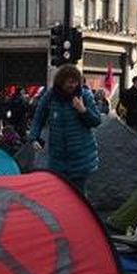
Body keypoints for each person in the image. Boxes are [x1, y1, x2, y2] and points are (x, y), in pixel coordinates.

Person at [29, 64, 102, 195]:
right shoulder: (50, 96)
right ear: (61, 82)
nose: (72, 85)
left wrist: (83, 110)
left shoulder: (85, 95)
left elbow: (96, 121)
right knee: (60, 194)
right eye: (69, 82)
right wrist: (34, 137)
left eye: (75, 82)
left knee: (79, 196)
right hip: (58, 158)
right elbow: (38, 118)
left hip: (81, 158)